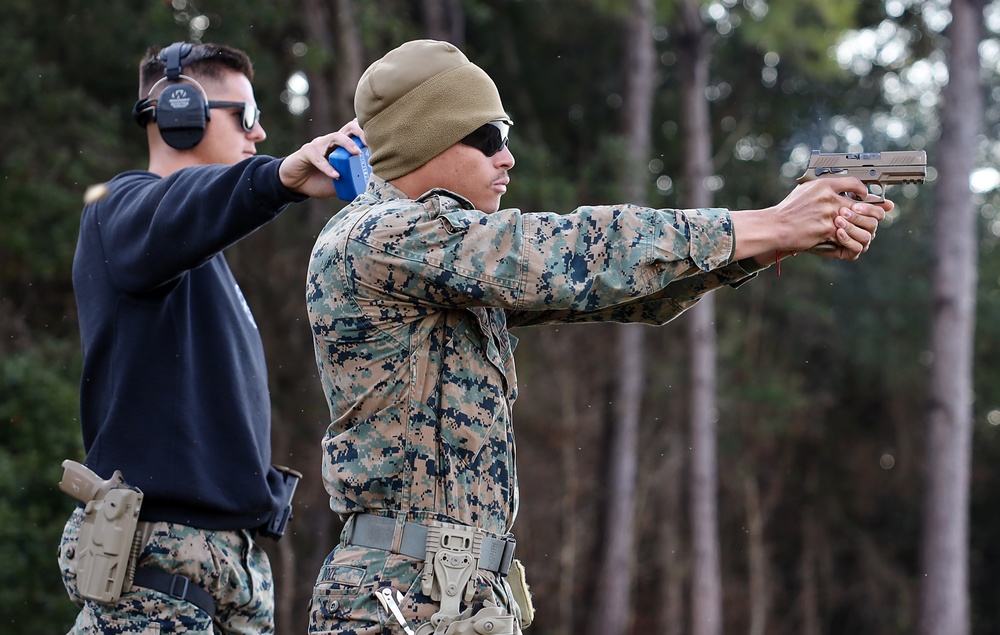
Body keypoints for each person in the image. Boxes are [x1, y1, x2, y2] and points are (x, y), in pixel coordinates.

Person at [304, 39, 892, 635]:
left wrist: (773, 241)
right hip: (404, 597)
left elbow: (612, 292)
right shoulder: (383, 236)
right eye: (487, 139)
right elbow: (577, 252)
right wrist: (770, 223)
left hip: (444, 596)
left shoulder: (435, 260)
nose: (507, 158)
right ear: (424, 139)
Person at [57, 41, 364, 635]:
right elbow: (176, 216)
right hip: (161, 581)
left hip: (225, 578)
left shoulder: (201, 257)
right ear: (180, 111)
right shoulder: (119, 213)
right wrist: (279, 177)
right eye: (246, 115)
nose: (260, 132)